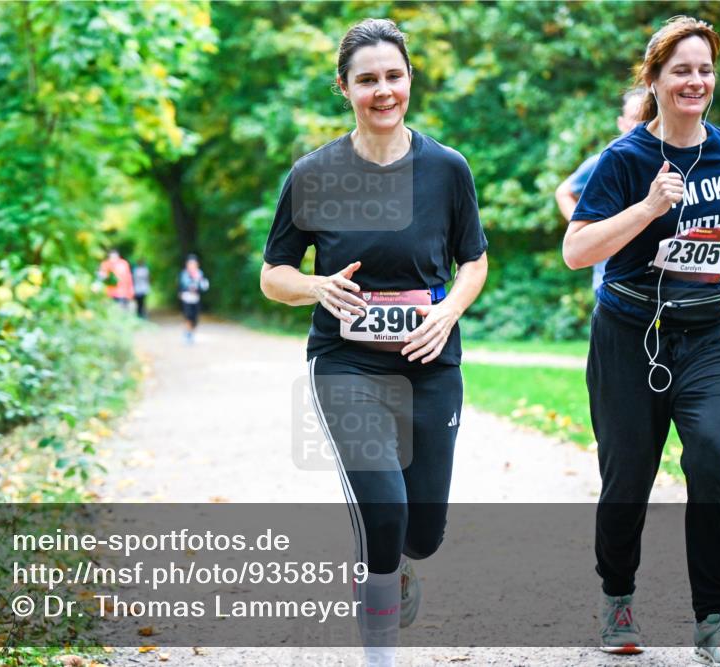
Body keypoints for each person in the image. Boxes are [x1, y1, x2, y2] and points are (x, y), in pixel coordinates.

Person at [562, 16, 720, 666]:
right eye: (682, 69)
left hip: (709, 332)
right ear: (655, 80)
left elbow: (711, 229)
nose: (696, 80)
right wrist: (645, 208)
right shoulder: (625, 159)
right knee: (627, 476)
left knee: (716, 456)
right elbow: (576, 249)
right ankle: (618, 600)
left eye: (706, 69)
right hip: (630, 333)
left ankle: (714, 620)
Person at [260, 18, 488, 667]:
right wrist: (317, 286)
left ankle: (393, 563)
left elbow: (473, 259)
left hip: (430, 362)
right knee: (384, 507)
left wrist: (449, 312)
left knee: (424, 531)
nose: (383, 90)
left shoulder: (446, 168)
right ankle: (380, 649)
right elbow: (272, 275)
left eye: (394, 76)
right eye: (367, 80)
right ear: (344, 87)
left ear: (409, 79)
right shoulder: (314, 173)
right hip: (345, 363)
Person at [555, 87, 645, 293]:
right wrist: (587, 233)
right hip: (611, 282)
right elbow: (564, 192)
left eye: (647, 117)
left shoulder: (666, 162)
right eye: (635, 118)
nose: (641, 124)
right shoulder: (605, 162)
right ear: (621, 123)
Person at [178, 254, 209, 343]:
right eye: (190, 264)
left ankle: (190, 332)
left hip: (196, 298)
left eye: (194, 264)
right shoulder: (184, 274)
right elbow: (181, 286)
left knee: (195, 318)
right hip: (187, 298)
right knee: (188, 316)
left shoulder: (200, 273)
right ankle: (188, 334)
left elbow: (203, 286)